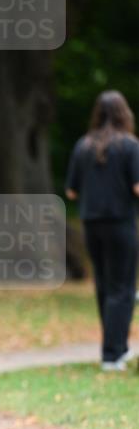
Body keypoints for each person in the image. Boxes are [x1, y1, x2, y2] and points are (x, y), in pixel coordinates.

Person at [66, 90, 139, 371]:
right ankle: (113, 354)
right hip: (120, 223)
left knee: (105, 286)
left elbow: (71, 191)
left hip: (91, 224)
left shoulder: (83, 146)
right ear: (125, 114)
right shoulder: (130, 146)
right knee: (122, 288)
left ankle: (112, 348)